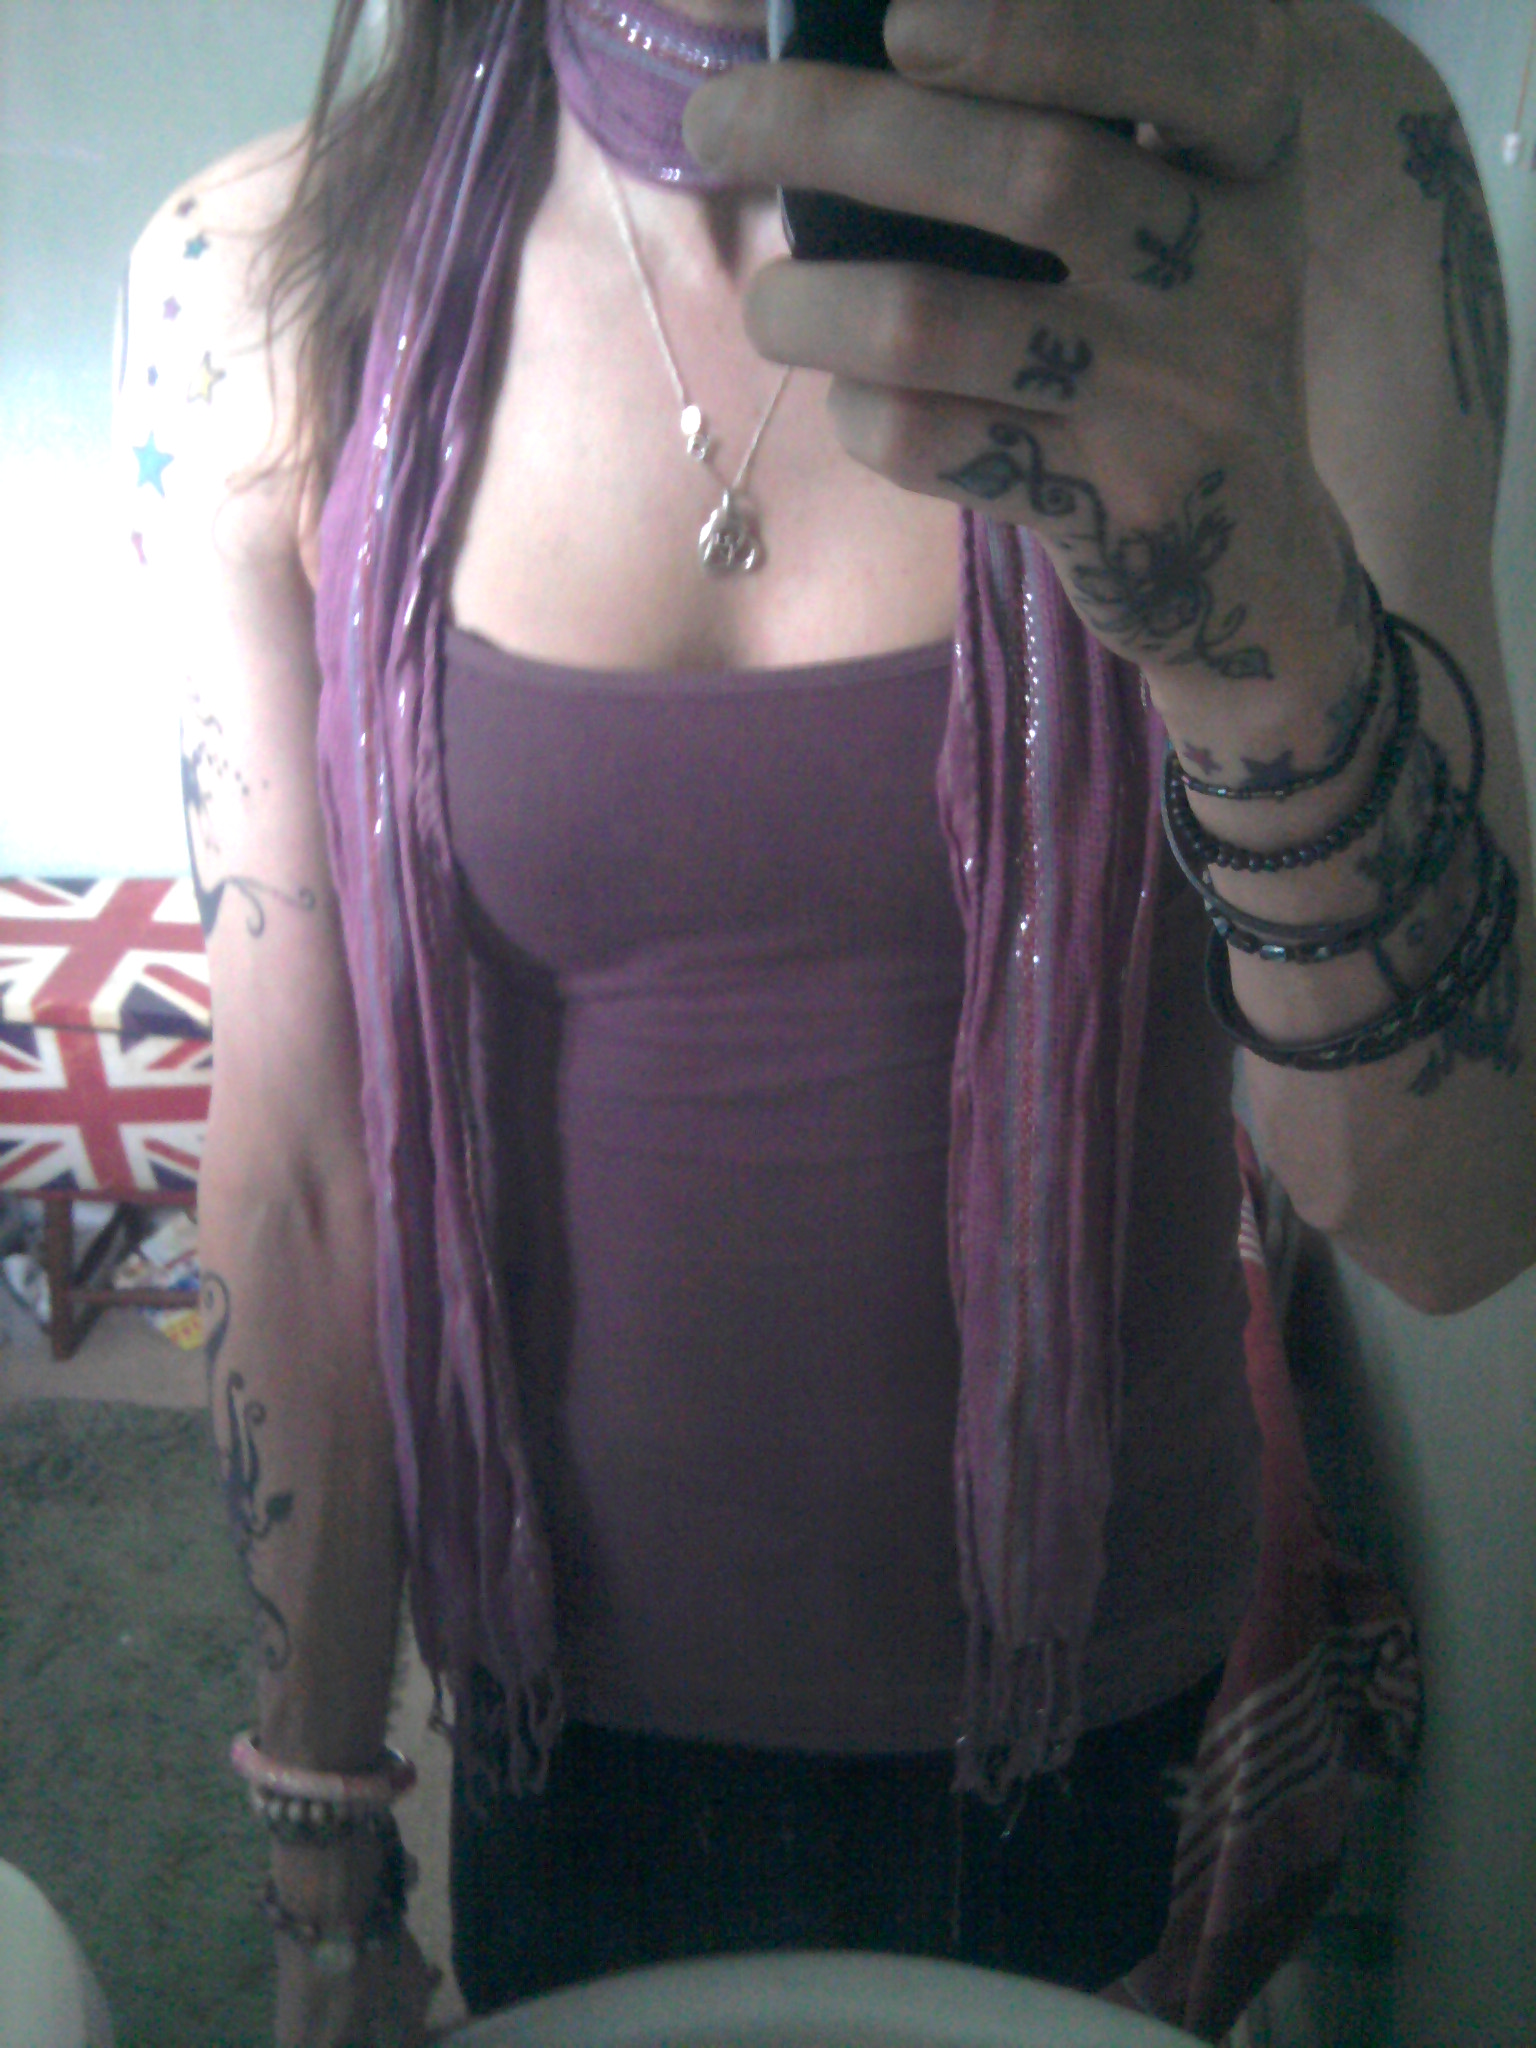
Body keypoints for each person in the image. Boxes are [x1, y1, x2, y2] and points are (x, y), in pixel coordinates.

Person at [116, 0, 1535, 2041]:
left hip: (1103, 1698)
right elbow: (297, 1166)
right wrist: (325, 1852)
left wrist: (1255, 615)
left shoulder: (1308, 153)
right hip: (560, 1727)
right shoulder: (255, 279)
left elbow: (1449, 1212)